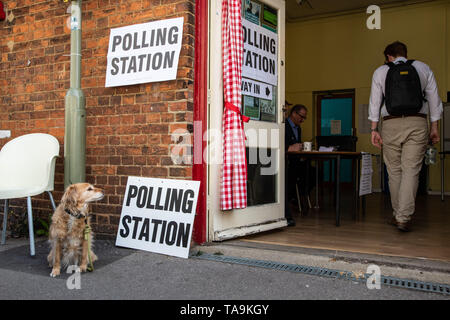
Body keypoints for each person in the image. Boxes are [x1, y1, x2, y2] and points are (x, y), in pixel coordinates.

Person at [368, 41, 443, 232]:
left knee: (394, 171)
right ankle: (403, 217)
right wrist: (434, 127)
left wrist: (374, 129)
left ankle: (397, 214)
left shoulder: (380, 71)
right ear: (405, 54)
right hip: (417, 123)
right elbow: (435, 101)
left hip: (390, 124)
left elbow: (375, 102)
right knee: (411, 169)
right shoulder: (423, 68)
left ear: (389, 56)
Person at [285, 104, 314, 224]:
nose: (302, 120)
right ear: (294, 114)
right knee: (292, 176)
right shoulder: (284, 125)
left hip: (296, 160)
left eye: (304, 118)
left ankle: (299, 196)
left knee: (314, 172)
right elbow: (280, 144)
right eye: (301, 117)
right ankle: (293, 198)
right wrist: (289, 148)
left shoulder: (298, 128)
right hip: (286, 161)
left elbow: (297, 144)